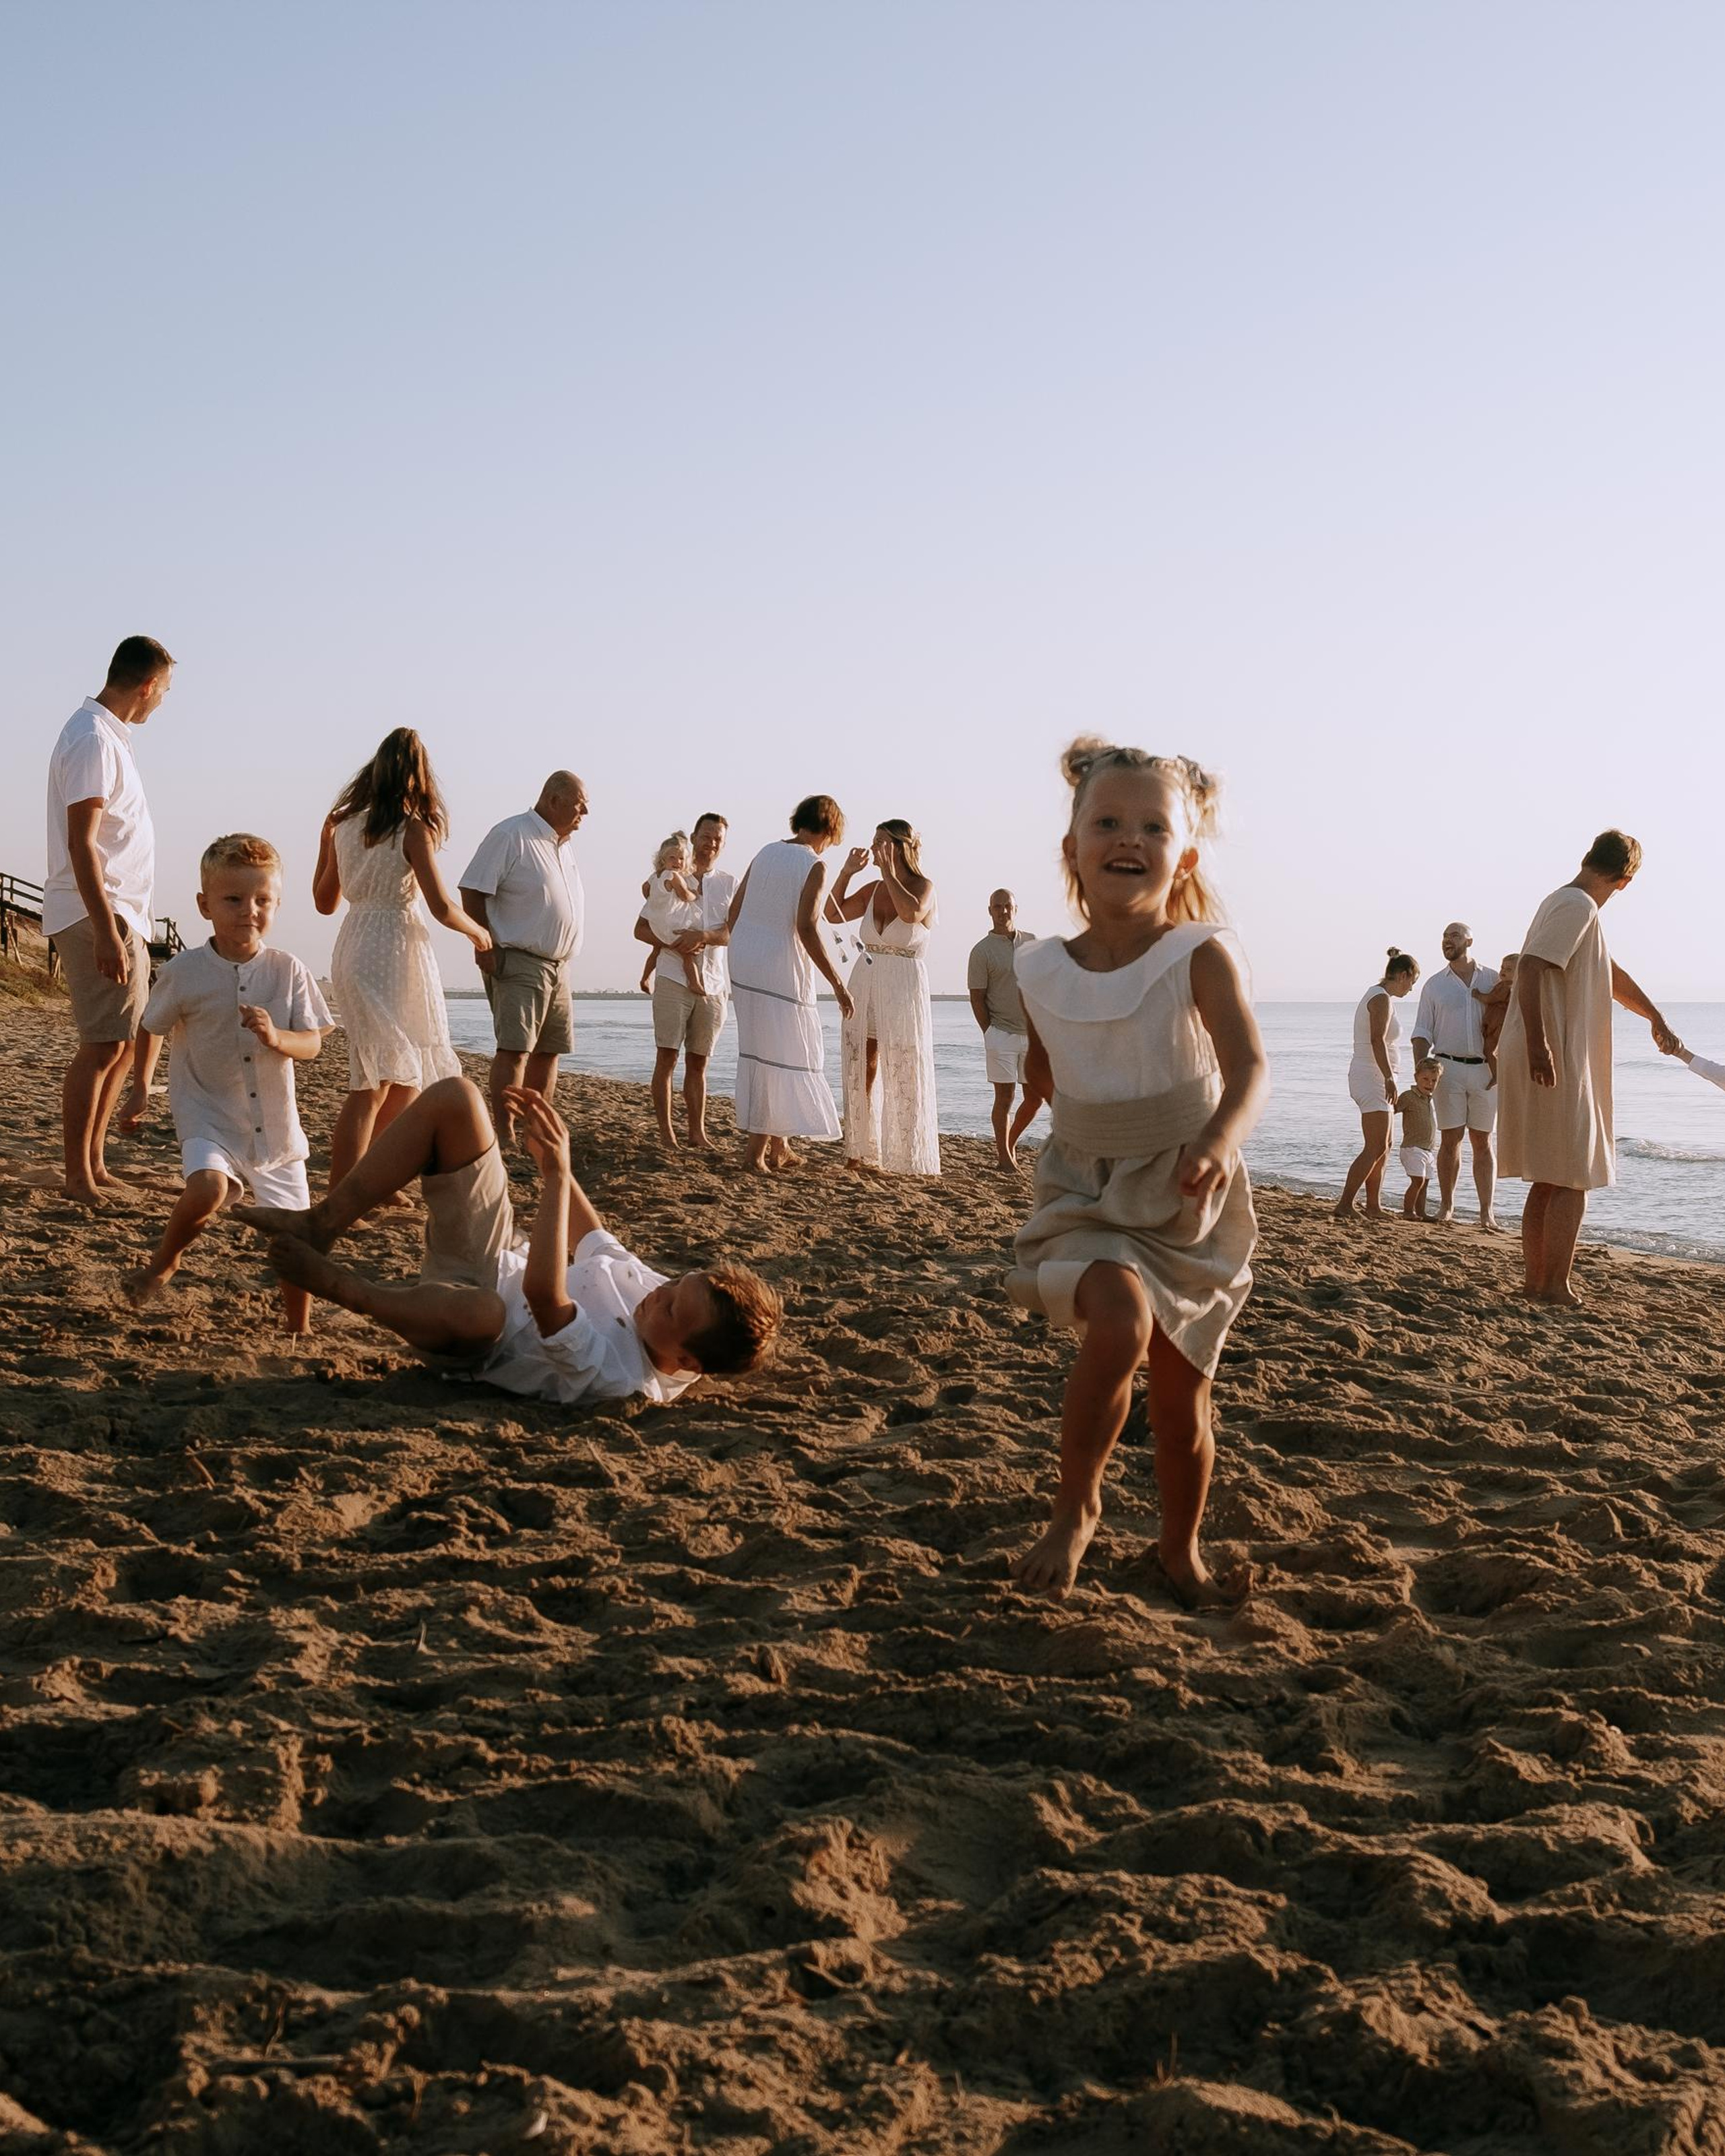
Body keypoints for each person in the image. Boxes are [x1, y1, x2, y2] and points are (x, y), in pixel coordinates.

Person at [1007, 740, 1267, 1608]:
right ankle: (1076, 1502)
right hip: (1086, 1189)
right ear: (1073, 846)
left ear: (1182, 855)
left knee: (1183, 1397)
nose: (1129, 838)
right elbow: (1049, 1066)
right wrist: (1071, 1124)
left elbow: (1249, 1069)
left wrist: (1219, 1140)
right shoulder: (1038, 965)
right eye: (1107, 821)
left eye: (1153, 826)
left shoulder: (1197, 953)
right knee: (1116, 1313)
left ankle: (1178, 1548)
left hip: (1187, 1193)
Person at [235, 1079, 781, 1403]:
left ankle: (341, 1286)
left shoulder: (623, 1379)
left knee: (484, 1313)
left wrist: (555, 1180)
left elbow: (546, 1300)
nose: (657, 1293)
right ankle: (322, 1224)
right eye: (674, 1286)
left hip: (466, 1333)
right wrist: (554, 1161)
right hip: (492, 1253)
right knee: (459, 1099)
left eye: (671, 1307)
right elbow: (594, 1239)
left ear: (684, 1358)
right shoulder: (659, 1297)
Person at [123, 835, 332, 1331]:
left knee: (294, 1235)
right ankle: (165, 1263)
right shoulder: (185, 970)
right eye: (233, 900)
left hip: (275, 1130)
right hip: (207, 1112)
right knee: (209, 1188)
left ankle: (298, 1325)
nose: (249, 911)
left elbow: (313, 1043)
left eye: (263, 900)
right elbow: (151, 1027)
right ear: (205, 905)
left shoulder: (289, 971)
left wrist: (277, 1036)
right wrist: (139, 1090)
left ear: (277, 904)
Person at [1499, 830, 1677, 1305]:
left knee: (1551, 1174)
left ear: (1587, 857)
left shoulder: (1573, 907)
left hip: (1552, 1050)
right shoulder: (1577, 906)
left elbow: (1609, 972)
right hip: (1554, 1051)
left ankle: (1537, 1284)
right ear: (1626, 881)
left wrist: (1653, 1016)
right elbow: (1533, 968)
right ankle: (1553, 1285)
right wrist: (1540, 1046)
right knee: (1575, 1173)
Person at [313, 728, 491, 1188]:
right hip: (393, 946)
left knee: (399, 1077)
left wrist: (324, 844)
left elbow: (324, 902)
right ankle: (343, 1188)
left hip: (353, 943)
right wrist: (478, 932)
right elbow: (440, 906)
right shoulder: (413, 828)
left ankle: (371, 1179)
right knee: (375, 1083)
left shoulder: (348, 828)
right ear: (418, 778)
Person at [43, 635, 173, 1201]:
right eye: (164, 691)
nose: (162, 702)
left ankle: (95, 1164)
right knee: (101, 1046)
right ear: (147, 685)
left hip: (124, 914)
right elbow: (82, 843)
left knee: (120, 1045)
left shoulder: (110, 738)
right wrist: (104, 930)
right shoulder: (93, 737)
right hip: (99, 912)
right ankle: (77, 1175)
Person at [458, 772, 588, 1148]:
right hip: (519, 959)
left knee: (550, 1052)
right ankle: (503, 1133)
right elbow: (472, 888)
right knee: (515, 1049)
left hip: (560, 965)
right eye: (580, 802)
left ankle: (535, 1130)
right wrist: (485, 945)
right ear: (554, 799)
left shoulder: (563, 847)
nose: (586, 811)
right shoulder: (511, 834)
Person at [727, 796, 854, 1174]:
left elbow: (734, 912)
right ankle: (754, 1155)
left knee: (761, 1048)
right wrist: (837, 983)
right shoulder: (815, 865)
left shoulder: (766, 852)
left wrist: (750, 946)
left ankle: (780, 1147)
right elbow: (806, 925)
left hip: (744, 958)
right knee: (784, 1051)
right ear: (830, 830)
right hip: (777, 963)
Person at [825, 819, 940, 1176]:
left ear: (900, 847)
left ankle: (902, 1154)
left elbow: (910, 913)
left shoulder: (924, 887)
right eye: (873, 842)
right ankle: (858, 1150)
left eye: (881, 843)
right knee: (864, 1064)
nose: (874, 849)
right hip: (867, 978)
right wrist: (845, 873)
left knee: (902, 1068)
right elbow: (832, 913)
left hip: (903, 985)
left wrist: (891, 870)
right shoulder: (873, 889)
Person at [632, 813, 735, 1153]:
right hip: (673, 976)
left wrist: (702, 935)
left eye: (718, 838)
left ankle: (697, 1132)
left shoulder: (728, 884)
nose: (712, 843)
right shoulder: (671, 877)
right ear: (694, 837)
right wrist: (673, 942)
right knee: (667, 1058)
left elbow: (731, 932)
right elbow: (641, 928)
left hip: (714, 983)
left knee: (699, 1062)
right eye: (707, 836)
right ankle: (667, 1133)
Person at [1411, 922, 1501, 1231]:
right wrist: (1421, 1069)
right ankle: (1447, 1207)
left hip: (1486, 1071)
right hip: (1447, 1069)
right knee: (1451, 1140)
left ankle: (1487, 1213)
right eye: (1445, 937)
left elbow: (1511, 1020)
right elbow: (1422, 1031)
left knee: (1483, 1141)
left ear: (1470, 940)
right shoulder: (1435, 986)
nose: (1447, 941)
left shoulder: (1493, 979)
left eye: (1454, 935)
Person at [1334, 951, 1420, 1223]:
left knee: (1386, 1145)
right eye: (1412, 981)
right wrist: (1389, 1077)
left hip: (1377, 1075)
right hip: (1371, 1076)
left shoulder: (1383, 997)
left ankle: (1373, 1206)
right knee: (1375, 1145)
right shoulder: (1380, 998)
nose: (1412, 988)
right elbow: (1376, 1040)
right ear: (1403, 975)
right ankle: (1345, 1203)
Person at [968, 889, 1046, 1169]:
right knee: (1005, 1098)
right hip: (1000, 1033)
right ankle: (1004, 1157)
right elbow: (977, 997)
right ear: (990, 911)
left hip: (1033, 1035)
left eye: (1008, 906)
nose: (1003, 911)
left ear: (1016, 909)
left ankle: (1009, 1143)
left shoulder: (1033, 943)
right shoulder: (981, 951)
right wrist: (989, 1032)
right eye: (997, 907)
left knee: (1035, 1099)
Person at [640, 833, 704, 998]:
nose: (677, 862)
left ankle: (645, 978)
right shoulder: (674, 876)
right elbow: (684, 895)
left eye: (681, 859)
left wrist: (654, 899)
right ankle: (695, 983)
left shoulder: (655, 877)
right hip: (672, 925)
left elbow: (644, 888)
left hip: (657, 923)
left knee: (656, 950)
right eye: (673, 858)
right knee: (687, 955)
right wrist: (694, 895)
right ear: (663, 859)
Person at [1397, 1059, 1442, 1221]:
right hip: (1412, 1148)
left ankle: (1421, 1212)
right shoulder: (1409, 1096)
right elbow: (1393, 1108)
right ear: (1416, 1077)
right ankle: (1408, 1211)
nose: (1430, 1083)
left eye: (1434, 1080)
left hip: (1428, 1150)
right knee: (1418, 1181)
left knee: (1425, 1183)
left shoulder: (1429, 1099)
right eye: (1425, 1079)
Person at [1476, 955, 1518, 1083]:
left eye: (1509, 969)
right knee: (1490, 1049)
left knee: (1490, 1049)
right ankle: (1498, 1073)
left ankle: (1497, 1075)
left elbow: (1491, 998)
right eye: (1502, 968)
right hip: (1494, 1023)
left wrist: (1478, 995)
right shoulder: (1502, 985)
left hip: (1499, 1025)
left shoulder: (1507, 987)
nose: (1503, 971)